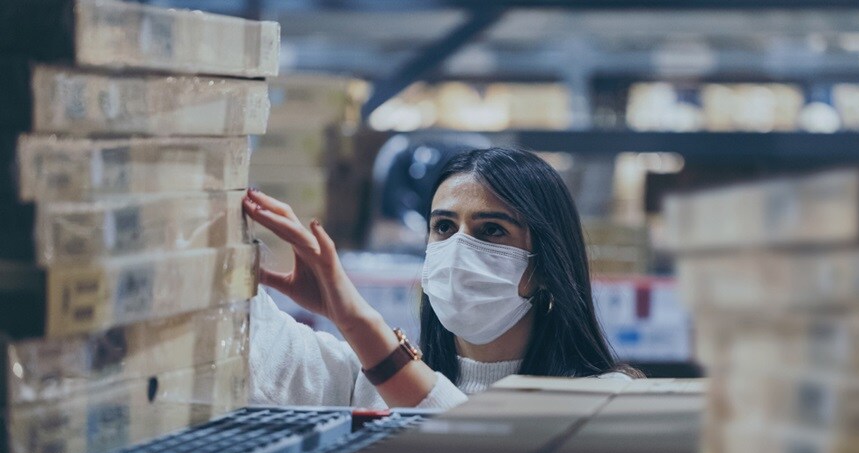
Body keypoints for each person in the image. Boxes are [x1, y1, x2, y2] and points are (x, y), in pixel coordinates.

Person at [245, 147, 640, 411]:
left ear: (547, 267)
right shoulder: (361, 379)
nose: (458, 251)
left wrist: (358, 323)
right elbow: (245, 342)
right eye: (444, 227)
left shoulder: (605, 400)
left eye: (491, 231)